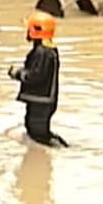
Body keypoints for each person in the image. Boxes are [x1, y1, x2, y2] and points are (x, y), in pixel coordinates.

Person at [7, 11, 68, 147]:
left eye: (29, 28)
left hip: (41, 101)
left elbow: (36, 76)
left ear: (35, 31)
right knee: (37, 132)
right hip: (42, 101)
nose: (27, 32)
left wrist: (17, 73)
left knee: (38, 135)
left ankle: (62, 153)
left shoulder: (43, 52)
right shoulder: (47, 49)